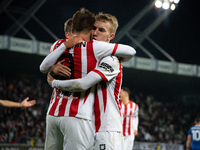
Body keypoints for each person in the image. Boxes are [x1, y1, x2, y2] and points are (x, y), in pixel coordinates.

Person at [40, 8, 136, 150]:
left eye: (101, 30)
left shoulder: (111, 59)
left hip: (106, 128)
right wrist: (53, 68)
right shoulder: (91, 52)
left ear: (111, 36)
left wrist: (54, 82)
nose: (95, 33)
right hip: (90, 123)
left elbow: (83, 83)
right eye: (94, 28)